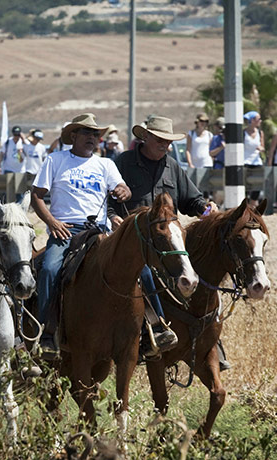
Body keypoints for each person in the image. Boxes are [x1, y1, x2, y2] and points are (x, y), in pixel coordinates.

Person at [107, 115, 217, 357]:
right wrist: (112, 215)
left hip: (167, 244)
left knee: (199, 275)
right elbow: (105, 198)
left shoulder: (173, 166)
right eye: (159, 139)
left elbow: (192, 199)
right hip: (133, 244)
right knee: (140, 278)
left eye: (168, 141)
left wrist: (204, 209)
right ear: (145, 137)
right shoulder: (123, 163)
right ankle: (151, 331)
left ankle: (210, 340)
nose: (164, 145)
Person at [31, 113, 131, 355]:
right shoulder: (55, 161)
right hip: (65, 230)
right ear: (73, 136)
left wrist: (122, 190)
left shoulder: (106, 164)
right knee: (50, 269)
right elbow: (36, 196)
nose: (92, 138)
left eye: (95, 134)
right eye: (86, 132)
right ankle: (46, 331)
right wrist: (53, 223)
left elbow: (122, 188)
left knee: (137, 267)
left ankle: (151, 326)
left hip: (99, 231)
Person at [243, 110, 265, 205]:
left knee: (258, 185)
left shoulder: (260, 133)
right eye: (258, 119)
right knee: (245, 186)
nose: (260, 121)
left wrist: (261, 148)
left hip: (257, 162)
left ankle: (253, 204)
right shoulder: (243, 133)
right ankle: (245, 205)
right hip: (245, 162)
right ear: (252, 120)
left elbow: (263, 147)